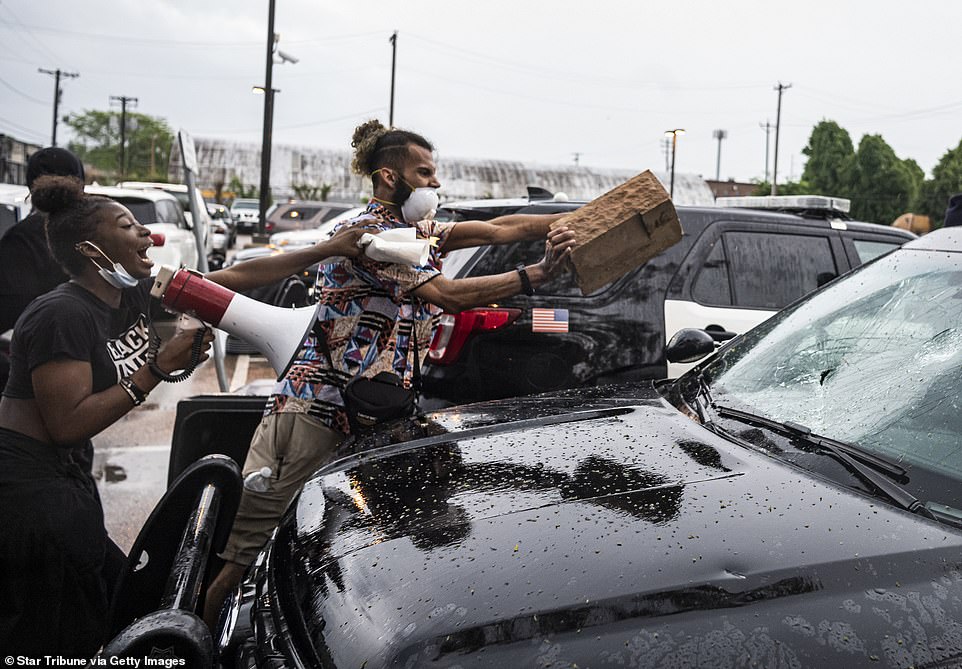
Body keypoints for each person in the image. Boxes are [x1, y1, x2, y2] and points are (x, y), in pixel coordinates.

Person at [204, 119, 577, 624]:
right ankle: (191, 640)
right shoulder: (371, 238)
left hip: (368, 417)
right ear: (387, 178)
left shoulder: (417, 233)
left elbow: (498, 229)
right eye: (424, 174)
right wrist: (534, 275)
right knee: (244, 554)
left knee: (328, 546)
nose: (436, 184)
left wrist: (579, 220)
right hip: (315, 415)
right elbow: (444, 294)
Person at [0, 175, 366, 657]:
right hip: (26, 490)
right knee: (55, 625)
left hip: (64, 478)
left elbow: (234, 278)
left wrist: (326, 250)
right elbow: (66, 423)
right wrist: (158, 367)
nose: (146, 235)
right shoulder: (61, 315)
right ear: (92, 251)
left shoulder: (129, 292)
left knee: (107, 601)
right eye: (128, 224)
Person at [0, 147, 80, 391]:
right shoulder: (94, 230)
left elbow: (9, 304)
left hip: (34, 367)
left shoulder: (21, 238)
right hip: (83, 357)